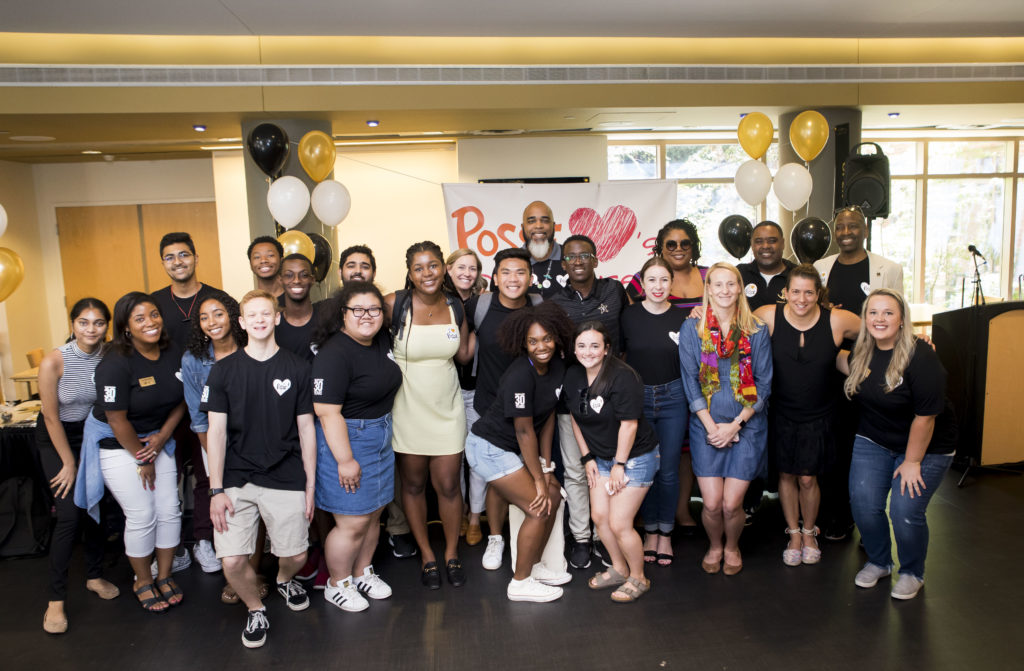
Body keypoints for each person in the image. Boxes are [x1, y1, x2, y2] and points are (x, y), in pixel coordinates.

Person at [204, 290, 316, 648]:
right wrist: (216, 489)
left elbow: (305, 428)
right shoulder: (223, 371)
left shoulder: (297, 368)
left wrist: (310, 484)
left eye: (265, 313)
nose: (259, 320)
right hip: (236, 476)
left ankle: (283, 580)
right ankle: (255, 608)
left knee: (296, 554)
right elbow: (216, 433)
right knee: (233, 560)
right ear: (242, 323)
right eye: (251, 315)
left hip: (285, 473)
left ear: (277, 318)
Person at [839, 289, 957, 600]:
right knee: (863, 503)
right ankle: (879, 562)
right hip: (875, 437)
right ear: (865, 319)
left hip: (926, 446)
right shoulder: (863, 351)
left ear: (902, 319)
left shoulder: (921, 356)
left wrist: (912, 461)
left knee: (904, 510)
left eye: (888, 313)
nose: (880, 319)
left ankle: (912, 571)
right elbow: (842, 360)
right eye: (873, 312)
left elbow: (926, 417)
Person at [77, 292, 186, 612]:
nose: (150, 322)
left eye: (154, 314)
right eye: (140, 318)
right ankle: (142, 580)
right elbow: (115, 419)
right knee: (142, 514)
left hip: (157, 439)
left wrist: (163, 437)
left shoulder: (172, 351)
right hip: (118, 444)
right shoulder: (115, 363)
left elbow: (183, 399)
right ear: (126, 327)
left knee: (169, 510)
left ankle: (164, 575)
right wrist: (143, 457)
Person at [753, 265, 860, 566]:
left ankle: (810, 532)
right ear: (785, 292)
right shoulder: (768, 315)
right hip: (781, 411)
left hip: (820, 412)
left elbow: (879, 327)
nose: (801, 298)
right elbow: (730, 321)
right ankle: (794, 534)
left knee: (808, 478)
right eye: (795, 291)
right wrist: (697, 314)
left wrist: (913, 340)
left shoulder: (837, 320)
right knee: (786, 474)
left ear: (818, 294)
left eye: (808, 292)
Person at [466, 303, 573, 602]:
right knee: (538, 504)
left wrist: (547, 465)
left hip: (513, 449)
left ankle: (534, 566)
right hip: (488, 448)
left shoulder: (557, 367)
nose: (542, 346)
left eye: (547, 338)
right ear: (522, 344)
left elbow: (548, 414)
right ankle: (520, 582)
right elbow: (524, 430)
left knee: (553, 495)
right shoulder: (519, 376)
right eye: (533, 341)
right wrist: (538, 478)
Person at [814, 205, 905, 542]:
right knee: (833, 445)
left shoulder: (888, 269)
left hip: (872, 368)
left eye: (853, 226)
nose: (846, 231)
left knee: (868, 445)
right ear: (834, 232)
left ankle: (869, 523)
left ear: (864, 230)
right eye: (840, 226)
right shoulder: (821, 268)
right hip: (832, 369)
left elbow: (898, 315)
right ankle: (836, 514)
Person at [384, 241, 472, 589]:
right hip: (406, 408)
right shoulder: (395, 304)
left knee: (449, 484)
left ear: (444, 268)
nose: (427, 273)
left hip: (448, 408)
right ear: (410, 273)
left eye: (433, 265)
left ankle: (451, 553)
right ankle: (427, 556)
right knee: (414, 484)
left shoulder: (456, 306)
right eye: (419, 268)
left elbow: (463, 354)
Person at [312, 282, 403, 612]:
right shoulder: (334, 354)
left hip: (380, 434)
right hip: (348, 440)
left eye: (374, 309)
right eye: (358, 310)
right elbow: (326, 411)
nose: (367, 316)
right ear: (343, 315)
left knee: (373, 514)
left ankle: (363, 572)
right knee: (351, 522)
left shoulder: (380, 340)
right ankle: (338, 583)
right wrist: (345, 459)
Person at [679, 263, 772, 576]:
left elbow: (764, 384)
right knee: (712, 503)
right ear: (708, 290)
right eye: (717, 284)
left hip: (746, 425)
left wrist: (735, 426)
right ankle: (714, 546)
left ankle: (731, 546)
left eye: (730, 284)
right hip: (706, 425)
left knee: (732, 504)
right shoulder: (692, 328)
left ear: (739, 288)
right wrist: (712, 428)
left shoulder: (756, 329)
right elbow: (690, 380)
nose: (724, 290)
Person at [38, 298, 119, 634]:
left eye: (99, 323)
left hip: (93, 435)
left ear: (106, 327)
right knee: (70, 515)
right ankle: (55, 601)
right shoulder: (54, 361)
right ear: (73, 324)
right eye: (84, 322)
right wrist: (69, 462)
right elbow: (50, 416)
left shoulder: (111, 356)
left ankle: (94, 575)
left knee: (96, 507)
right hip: (57, 436)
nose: (91, 329)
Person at [549, 234, 630, 569]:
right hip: (572, 398)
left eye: (584, 255)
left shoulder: (614, 291)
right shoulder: (554, 300)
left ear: (596, 259)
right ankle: (582, 538)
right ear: (563, 264)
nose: (578, 261)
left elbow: (629, 337)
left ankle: (606, 534)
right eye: (570, 257)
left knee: (610, 467)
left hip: (612, 395)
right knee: (576, 470)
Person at [565, 321, 659, 602]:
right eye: (581, 345)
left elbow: (628, 426)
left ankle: (638, 577)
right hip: (600, 458)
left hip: (634, 457)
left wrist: (619, 464)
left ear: (607, 349)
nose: (588, 351)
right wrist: (587, 457)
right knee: (600, 518)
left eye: (595, 345)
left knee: (619, 523)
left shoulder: (622, 376)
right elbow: (575, 416)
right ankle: (619, 569)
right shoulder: (573, 375)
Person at [182, 292, 266, 603]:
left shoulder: (253, 348)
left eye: (218, 314)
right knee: (230, 510)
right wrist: (216, 455)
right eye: (204, 317)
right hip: (216, 447)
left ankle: (254, 572)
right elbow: (198, 417)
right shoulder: (193, 361)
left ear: (233, 316)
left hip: (256, 445)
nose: (211, 322)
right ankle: (237, 571)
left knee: (255, 508)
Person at [625, 219, 706, 532]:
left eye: (685, 243)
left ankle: (675, 516)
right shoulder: (631, 312)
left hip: (682, 387)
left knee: (676, 459)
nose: (678, 249)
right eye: (671, 244)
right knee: (646, 463)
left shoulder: (705, 280)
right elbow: (631, 340)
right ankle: (649, 521)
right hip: (642, 390)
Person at [338, 245, 417, 561]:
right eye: (351, 265)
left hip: (384, 415)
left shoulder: (382, 319)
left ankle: (396, 530)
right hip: (344, 421)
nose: (358, 270)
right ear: (341, 270)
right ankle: (346, 556)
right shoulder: (330, 312)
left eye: (365, 266)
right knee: (351, 495)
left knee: (388, 480)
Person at [464, 248, 542, 569]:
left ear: (530, 278)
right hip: (490, 408)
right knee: (497, 479)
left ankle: (528, 539)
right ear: (495, 278)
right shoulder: (479, 306)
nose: (513, 279)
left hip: (531, 411)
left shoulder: (539, 307)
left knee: (527, 475)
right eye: (506, 273)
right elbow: (462, 347)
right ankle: (495, 538)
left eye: (520, 272)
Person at [151, 231, 220, 574]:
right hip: (165, 409)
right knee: (168, 478)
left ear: (195, 257)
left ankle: (204, 540)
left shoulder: (216, 299)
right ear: (163, 262)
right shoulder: (153, 304)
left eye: (183, 255)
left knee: (209, 474)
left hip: (208, 408)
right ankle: (173, 546)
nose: (178, 262)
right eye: (170, 257)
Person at [621, 258, 689, 566]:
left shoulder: (684, 319)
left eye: (664, 280)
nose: (658, 286)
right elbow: (619, 359)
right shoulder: (629, 316)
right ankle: (649, 532)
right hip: (640, 400)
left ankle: (666, 533)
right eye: (652, 280)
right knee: (644, 468)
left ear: (671, 285)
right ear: (642, 284)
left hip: (675, 398)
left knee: (669, 470)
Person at [446, 248, 487, 547]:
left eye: (472, 268)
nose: (466, 273)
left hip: (476, 389)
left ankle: (475, 517)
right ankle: (458, 513)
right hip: (444, 391)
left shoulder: (483, 303)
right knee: (453, 457)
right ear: (448, 269)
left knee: (476, 456)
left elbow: (468, 355)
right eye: (461, 267)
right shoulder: (438, 302)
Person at [737, 221, 796, 312]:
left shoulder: (798, 274)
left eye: (772, 241)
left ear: (783, 243)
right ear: (752, 245)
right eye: (758, 241)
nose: (765, 246)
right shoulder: (739, 274)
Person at [276, 253, 322, 363]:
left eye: (304, 275)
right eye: (289, 275)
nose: (296, 280)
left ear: (312, 280)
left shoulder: (326, 318)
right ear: (280, 280)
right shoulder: (273, 325)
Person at [521, 200, 567, 299]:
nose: (538, 226)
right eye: (531, 221)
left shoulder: (572, 258)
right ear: (523, 227)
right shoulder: (509, 261)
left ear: (553, 226)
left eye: (545, 220)